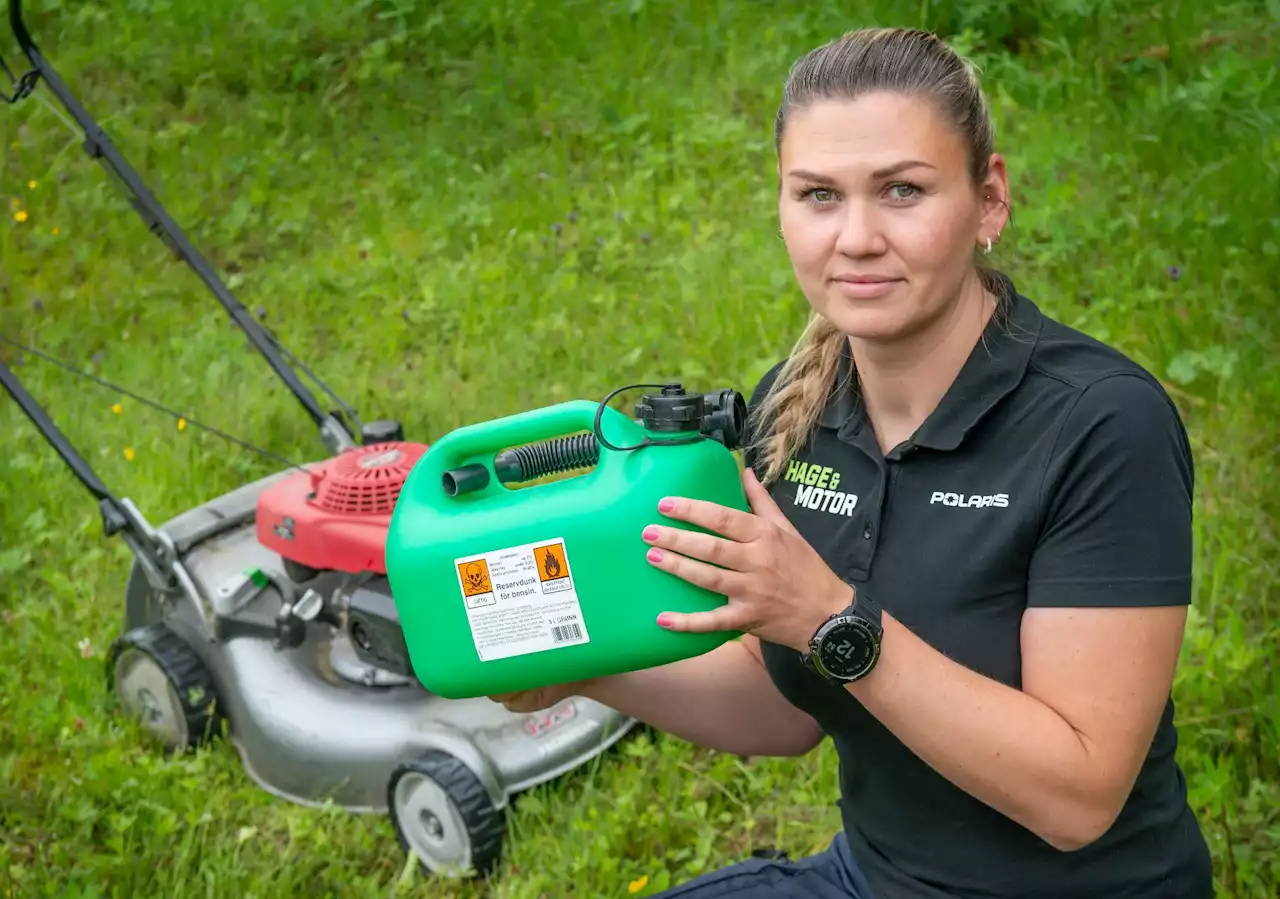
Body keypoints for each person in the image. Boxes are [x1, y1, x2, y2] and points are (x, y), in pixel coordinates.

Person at [491, 26, 1214, 899]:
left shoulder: (1101, 424)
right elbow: (782, 703)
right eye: (819, 195)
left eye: (903, 190)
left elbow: (1078, 796)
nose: (857, 237)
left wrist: (832, 616)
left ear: (990, 200)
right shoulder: (795, 407)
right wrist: (580, 668)